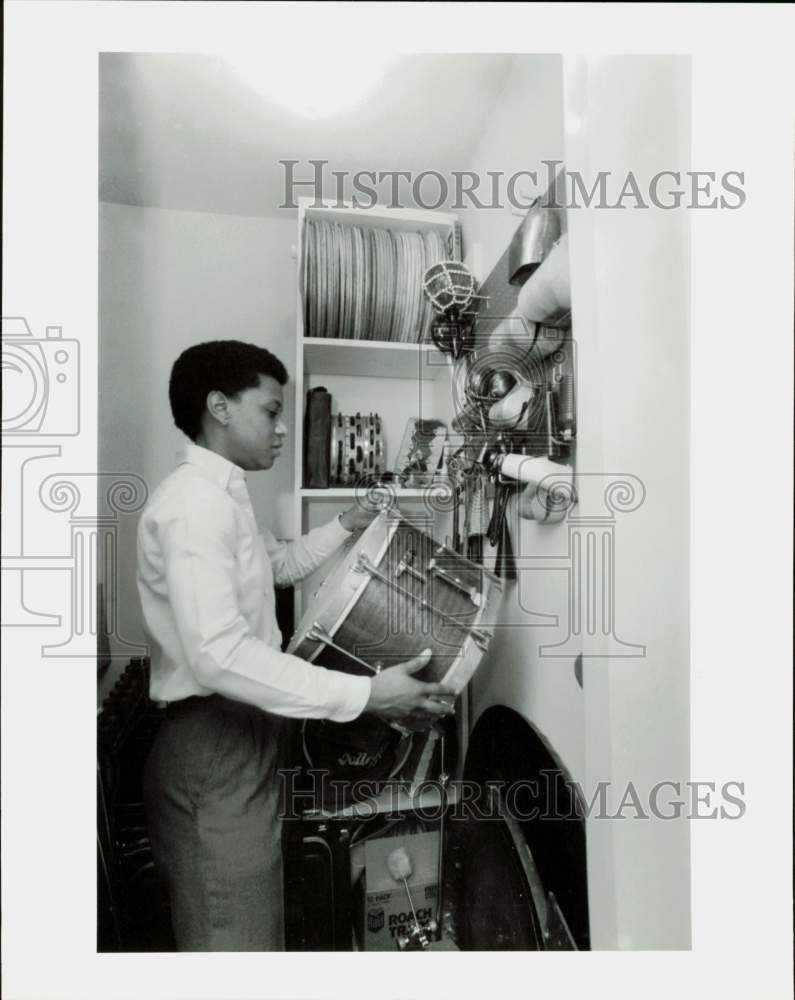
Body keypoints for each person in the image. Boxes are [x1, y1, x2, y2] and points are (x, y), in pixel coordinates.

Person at [137, 340, 454, 952]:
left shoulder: (222, 497)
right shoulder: (195, 506)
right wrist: (366, 693)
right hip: (213, 746)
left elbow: (276, 566)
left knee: (254, 932)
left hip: (239, 734)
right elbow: (220, 655)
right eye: (271, 411)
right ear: (219, 407)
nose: (283, 430)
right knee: (235, 944)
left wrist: (351, 522)